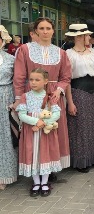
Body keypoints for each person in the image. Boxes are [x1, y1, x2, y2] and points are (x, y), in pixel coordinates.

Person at [14, 17, 72, 170]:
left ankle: (51, 167)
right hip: (32, 96)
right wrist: (19, 98)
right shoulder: (25, 49)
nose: (45, 31)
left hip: (53, 96)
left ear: (53, 31)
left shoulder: (61, 52)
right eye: (41, 28)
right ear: (35, 31)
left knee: (52, 131)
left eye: (48, 28)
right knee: (35, 131)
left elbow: (65, 77)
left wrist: (59, 90)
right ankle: (35, 167)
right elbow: (19, 76)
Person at [65, 24, 94, 173]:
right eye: (87, 35)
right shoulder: (68, 54)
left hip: (93, 92)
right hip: (77, 91)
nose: (90, 38)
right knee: (80, 127)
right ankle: (81, 160)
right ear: (79, 37)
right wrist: (70, 102)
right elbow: (66, 79)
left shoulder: (93, 53)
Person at [16, 68, 62, 197]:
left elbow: (57, 113)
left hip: (46, 134)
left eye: (37, 79)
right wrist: (36, 121)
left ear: (45, 81)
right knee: (33, 155)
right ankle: (36, 182)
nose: (33, 82)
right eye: (31, 80)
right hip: (31, 132)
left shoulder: (49, 96)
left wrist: (46, 123)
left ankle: (45, 182)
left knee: (45, 155)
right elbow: (22, 115)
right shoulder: (26, 96)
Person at [0, 25, 17, 190]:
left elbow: (18, 81)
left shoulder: (11, 60)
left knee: (6, 136)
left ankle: (5, 175)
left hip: (5, 98)